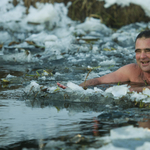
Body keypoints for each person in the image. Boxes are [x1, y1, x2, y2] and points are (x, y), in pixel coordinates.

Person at [57, 30, 150, 92]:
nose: (142, 56)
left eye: (147, 51)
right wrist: (75, 89)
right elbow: (98, 81)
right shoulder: (132, 71)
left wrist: (128, 90)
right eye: (138, 51)